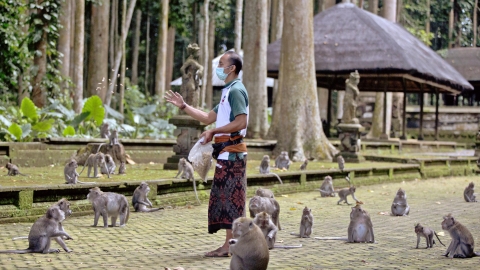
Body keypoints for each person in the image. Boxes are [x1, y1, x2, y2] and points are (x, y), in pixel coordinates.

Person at [164, 50, 249, 257]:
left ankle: (231, 246)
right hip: (224, 153)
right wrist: (183, 106)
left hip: (232, 153)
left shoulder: (237, 90)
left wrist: (214, 131)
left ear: (232, 69)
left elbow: (241, 122)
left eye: (221, 64)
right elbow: (207, 118)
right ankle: (230, 244)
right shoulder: (227, 91)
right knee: (225, 199)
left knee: (231, 200)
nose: (218, 68)